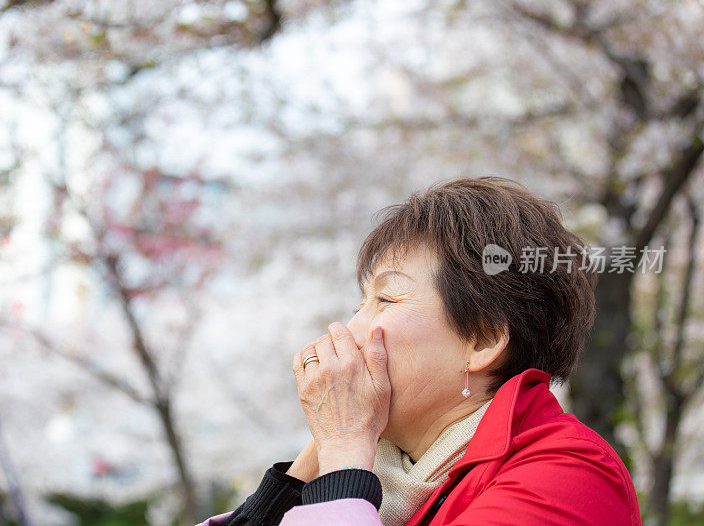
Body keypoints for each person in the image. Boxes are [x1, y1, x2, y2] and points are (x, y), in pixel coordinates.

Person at [198, 177, 642, 525]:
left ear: (483, 340)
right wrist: (315, 457)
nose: (349, 329)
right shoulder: (389, 472)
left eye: (386, 299)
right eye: (359, 303)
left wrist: (345, 451)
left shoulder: (569, 474)